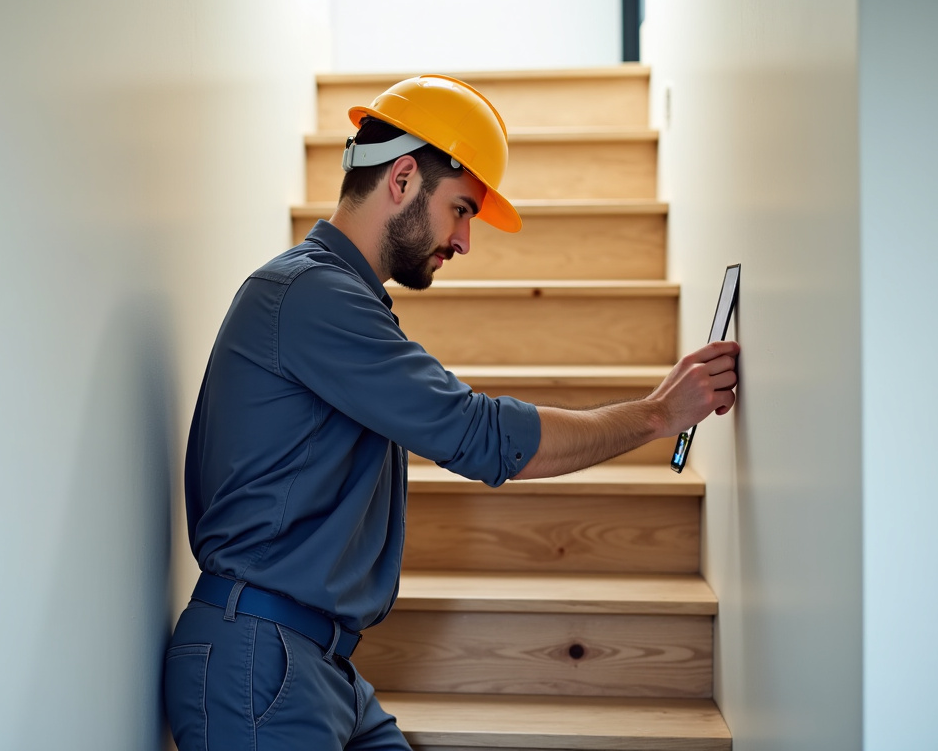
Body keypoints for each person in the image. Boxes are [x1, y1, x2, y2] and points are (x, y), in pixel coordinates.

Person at [163, 74, 740, 751]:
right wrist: (653, 416)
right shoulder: (310, 296)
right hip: (260, 665)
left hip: (316, 666)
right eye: (462, 209)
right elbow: (480, 437)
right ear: (402, 179)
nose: (465, 241)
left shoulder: (332, 299)